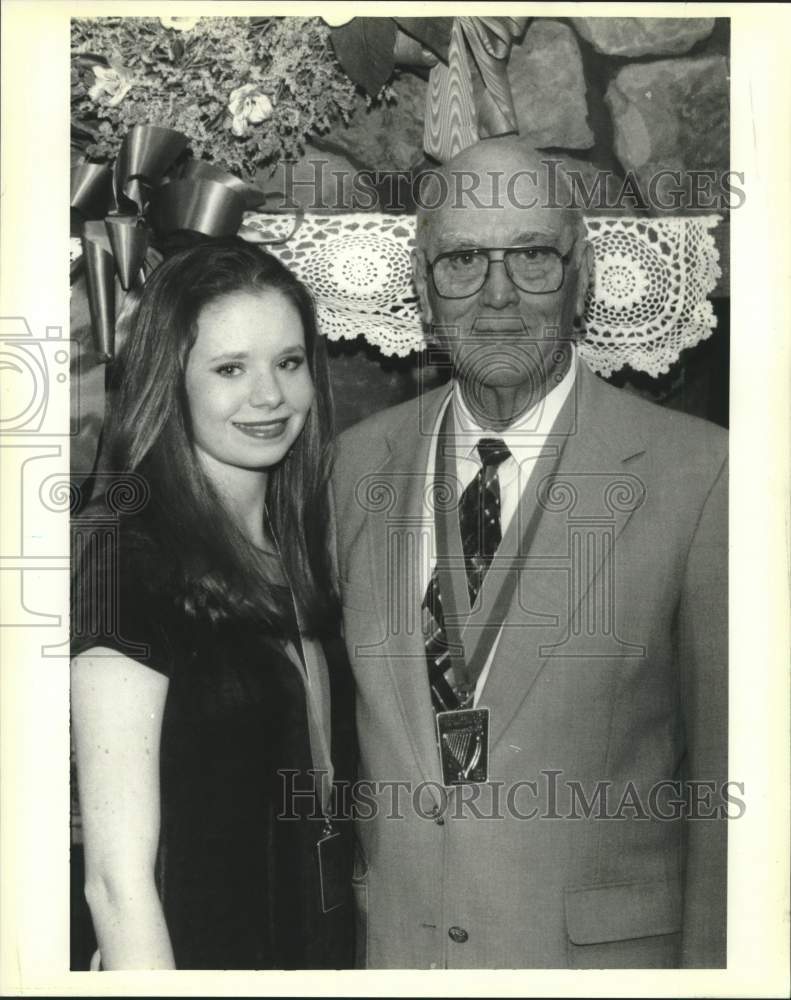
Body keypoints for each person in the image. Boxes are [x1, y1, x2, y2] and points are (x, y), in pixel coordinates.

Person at [332, 138, 728, 969]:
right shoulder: (352, 465)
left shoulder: (702, 475)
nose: (498, 295)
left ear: (579, 270)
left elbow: (732, 795)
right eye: (464, 259)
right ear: (419, 280)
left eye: (532, 256)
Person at [70, 237, 354, 970]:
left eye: (288, 363)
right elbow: (115, 881)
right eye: (230, 369)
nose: (269, 396)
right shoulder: (126, 561)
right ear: (172, 382)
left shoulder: (303, 548)